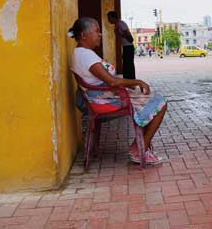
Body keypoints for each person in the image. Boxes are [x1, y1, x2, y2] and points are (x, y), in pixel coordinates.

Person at [68, 17, 167, 165]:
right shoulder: (85, 55)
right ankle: (140, 150)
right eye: (96, 31)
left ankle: (139, 147)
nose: (99, 34)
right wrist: (138, 81)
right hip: (103, 99)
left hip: (102, 95)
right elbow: (112, 81)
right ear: (83, 35)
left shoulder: (82, 53)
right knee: (160, 103)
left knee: (150, 101)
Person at [107, 11, 136, 79]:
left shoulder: (121, 24)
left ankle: (131, 82)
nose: (108, 20)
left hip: (128, 47)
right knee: (126, 65)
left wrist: (119, 33)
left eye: (109, 18)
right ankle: (127, 81)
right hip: (126, 47)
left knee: (129, 66)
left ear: (114, 17)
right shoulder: (118, 24)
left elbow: (130, 37)